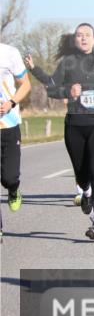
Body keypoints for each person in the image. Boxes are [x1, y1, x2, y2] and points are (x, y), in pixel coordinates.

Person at [46, 23, 94, 241]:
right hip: (74, 126)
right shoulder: (66, 64)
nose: (83, 38)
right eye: (79, 35)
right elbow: (50, 88)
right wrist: (67, 91)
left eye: (87, 35)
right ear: (75, 40)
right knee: (81, 174)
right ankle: (85, 192)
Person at [25, 42, 85, 205]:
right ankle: (82, 191)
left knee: (92, 160)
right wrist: (33, 68)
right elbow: (51, 82)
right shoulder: (66, 66)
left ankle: (91, 188)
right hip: (74, 118)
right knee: (77, 159)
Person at [1, 40, 32, 233]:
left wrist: (11, 102)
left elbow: (25, 84)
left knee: (9, 177)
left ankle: (13, 190)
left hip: (8, 123)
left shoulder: (9, 53)